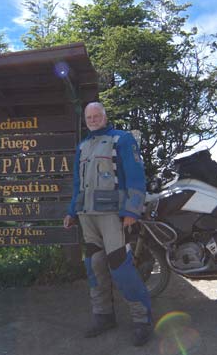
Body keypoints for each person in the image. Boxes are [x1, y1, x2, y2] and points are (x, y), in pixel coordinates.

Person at [63, 102, 152, 347]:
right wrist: (71, 211)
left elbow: (136, 177)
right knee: (95, 266)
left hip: (113, 216)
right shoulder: (82, 146)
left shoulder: (122, 139)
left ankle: (142, 320)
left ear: (105, 116)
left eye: (96, 115)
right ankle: (103, 316)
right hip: (86, 216)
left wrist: (132, 210)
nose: (92, 120)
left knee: (120, 267)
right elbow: (77, 184)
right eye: (89, 117)